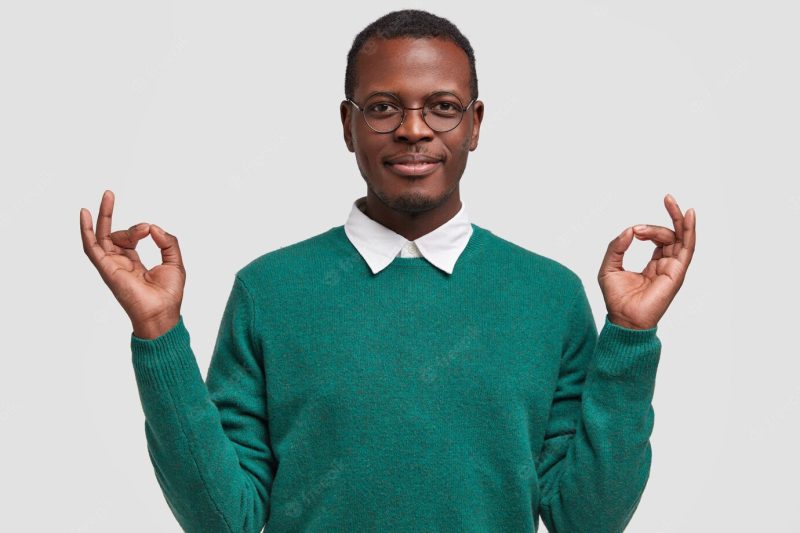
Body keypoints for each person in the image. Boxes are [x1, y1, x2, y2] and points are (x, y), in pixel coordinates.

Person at [80, 9, 696, 533]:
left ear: (475, 124)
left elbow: (586, 518)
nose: (412, 129)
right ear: (347, 126)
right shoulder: (269, 290)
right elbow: (225, 518)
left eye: (443, 107)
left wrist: (631, 339)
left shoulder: (548, 295)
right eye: (382, 108)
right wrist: (159, 331)